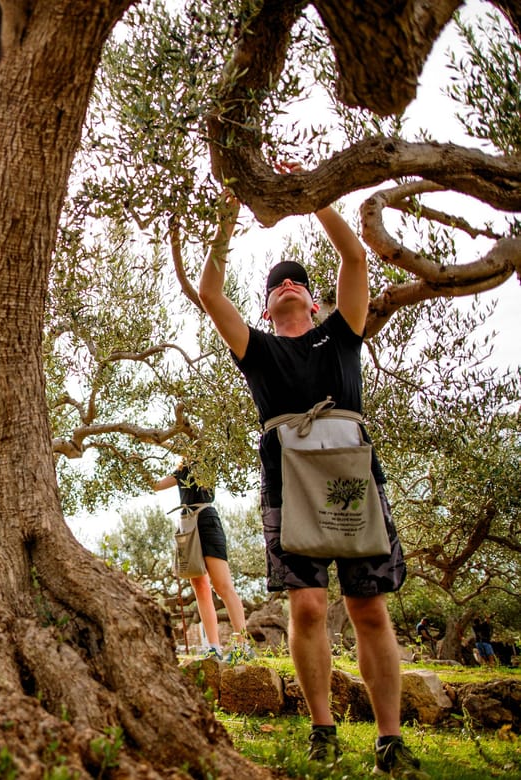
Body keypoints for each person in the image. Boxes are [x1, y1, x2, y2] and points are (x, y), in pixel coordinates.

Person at [199, 164, 424, 778]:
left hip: (354, 481)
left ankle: (389, 740)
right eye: (277, 285)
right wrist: (227, 214)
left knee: (369, 608)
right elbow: (209, 292)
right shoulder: (259, 350)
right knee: (307, 609)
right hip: (288, 486)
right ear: (269, 307)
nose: (288, 285)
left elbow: (355, 257)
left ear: (314, 298)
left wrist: (314, 198)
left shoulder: (342, 334)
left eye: (297, 281)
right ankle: (323, 729)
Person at [153, 462, 251, 660]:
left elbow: (233, 463)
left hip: (206, 519)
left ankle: (244, 647)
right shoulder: (181, 470)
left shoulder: (207, 460)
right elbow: (156, 485)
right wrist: (138, 464)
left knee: (222, 586)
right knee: (200, 586)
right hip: (186, 523)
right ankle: (213, 647)